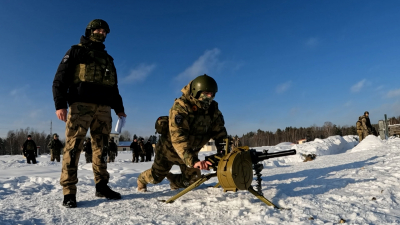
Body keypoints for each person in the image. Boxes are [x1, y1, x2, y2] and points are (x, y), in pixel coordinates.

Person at [52, 19, 126, 208]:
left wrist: (119, 108)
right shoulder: (76, 51)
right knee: (73, 146)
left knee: (101, 148)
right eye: (98, 30)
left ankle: (101, 185)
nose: (101, 33)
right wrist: (60, 104)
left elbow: (113, 86)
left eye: (104, 31)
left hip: (103, 109)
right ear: (89, 31)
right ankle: (69, 191)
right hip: (80, 106)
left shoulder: (108, 59)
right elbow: (60, 78)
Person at [137, 74, 227, 192]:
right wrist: (193, 161)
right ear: (196, 92)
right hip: (168, 152)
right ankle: (141, 179)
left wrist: (224, 152)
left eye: (212, 93)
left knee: (193, 180)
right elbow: (178, 138)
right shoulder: (181, 107)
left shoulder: (213, 111)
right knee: (156, 178)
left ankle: (174, 181)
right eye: (206, 93)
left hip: (190, 151)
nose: (210, 97)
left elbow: (220, 133)